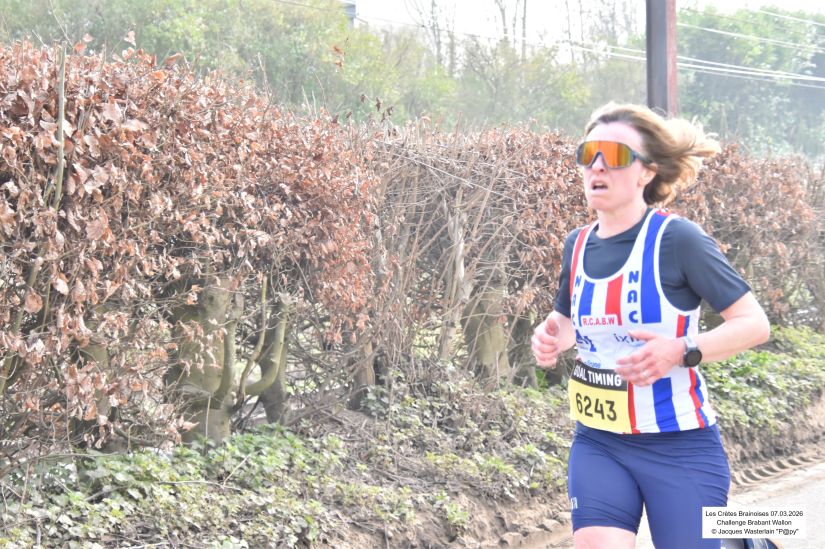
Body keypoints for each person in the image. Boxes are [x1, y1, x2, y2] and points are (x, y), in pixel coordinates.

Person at [531, 103, 771, 549]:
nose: (597, 166)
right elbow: (568, 322)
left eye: (614, 155)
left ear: (646, 172)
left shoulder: (679, 240)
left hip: (679, 444)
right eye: (588, 154)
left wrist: (681, 350)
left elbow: (755, 324)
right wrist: (551, 337)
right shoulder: (576, 245)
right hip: (599, 442)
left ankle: (750, 539)